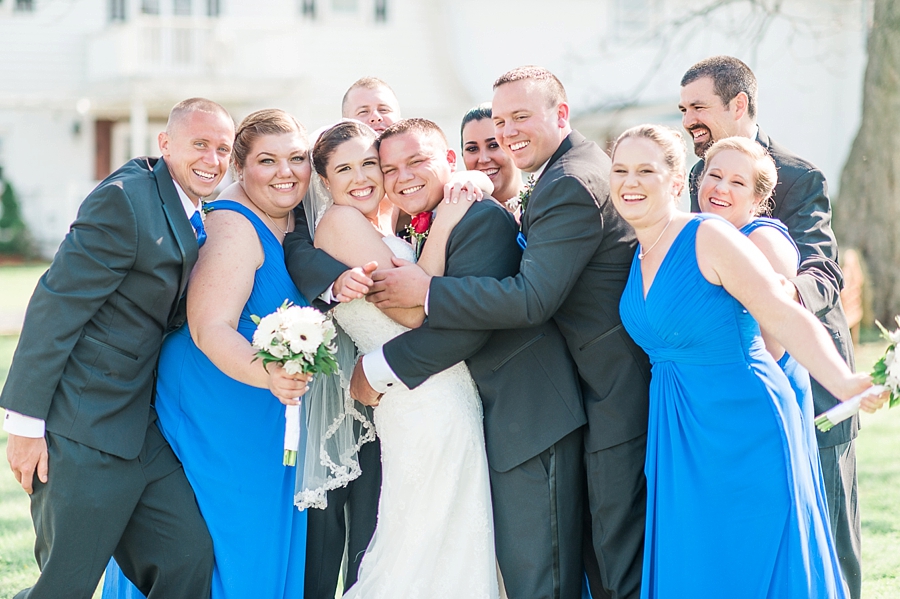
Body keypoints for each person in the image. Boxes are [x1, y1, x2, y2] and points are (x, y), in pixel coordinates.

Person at [366, 66, 651, 599]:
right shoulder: (552, 176)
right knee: (583, 561)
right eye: (500, 121)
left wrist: (424, 293)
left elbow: (530, 298)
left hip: (592, 391)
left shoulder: (567, 182)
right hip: (562, 396)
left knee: (592, 565)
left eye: (520, 117)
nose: (507, 132)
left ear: (560, 114)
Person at [610, 123, 881, 597]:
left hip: (747, 425)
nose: (630, 182)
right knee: (698, 567)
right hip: (679, 433)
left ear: (676, 183)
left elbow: (781, 313)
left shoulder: (709, 235)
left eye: (645, 170)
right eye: (621, 170)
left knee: (755, 567)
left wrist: (843, 381)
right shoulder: (635, 251)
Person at [0, 98, 234, 598]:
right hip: (81, 430)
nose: (212, 159)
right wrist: (23, 425)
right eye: (200, 144)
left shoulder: (197, 209)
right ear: (165, 144)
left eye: (223, 149)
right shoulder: (126, 200)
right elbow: (56, 304)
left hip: (139, 432)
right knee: (63, 587)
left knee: (186, 559)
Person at [102, 109, 315, 599]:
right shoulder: (233, 225)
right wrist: (269, 377)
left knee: (254, 537)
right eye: (267, 160)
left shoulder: (292, 222)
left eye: (297, 158)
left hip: (259, 406)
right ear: (241, 168)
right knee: (227, 540)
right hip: (218, 404)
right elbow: (208, 326)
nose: (286, 172)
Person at [678, 55, 861, 597]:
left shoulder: (800, 177)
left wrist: (778, 299)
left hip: (811, 383)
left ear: (738, 104)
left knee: (828, 536)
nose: (688, 119)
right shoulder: (695, 178)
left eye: (699, 107)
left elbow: (823, 270)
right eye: (683, 108)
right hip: (732, 390)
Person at [309, 119, 502, 597]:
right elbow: (414, 308)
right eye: (345, 169)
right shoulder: (339, 222)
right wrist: (449, 223)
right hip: (421, 399)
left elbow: (416, 281)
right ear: (325, 182)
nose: (362, 178)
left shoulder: (385, 222)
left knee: (445, 536)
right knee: (416, 539)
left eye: (370, 165)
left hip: (437, 391)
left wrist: (472, 181)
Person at [460, 102, 525, 212]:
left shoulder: (545, 202)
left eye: (494, 145)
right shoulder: (456, 214)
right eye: (472, 149)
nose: (483, 159)